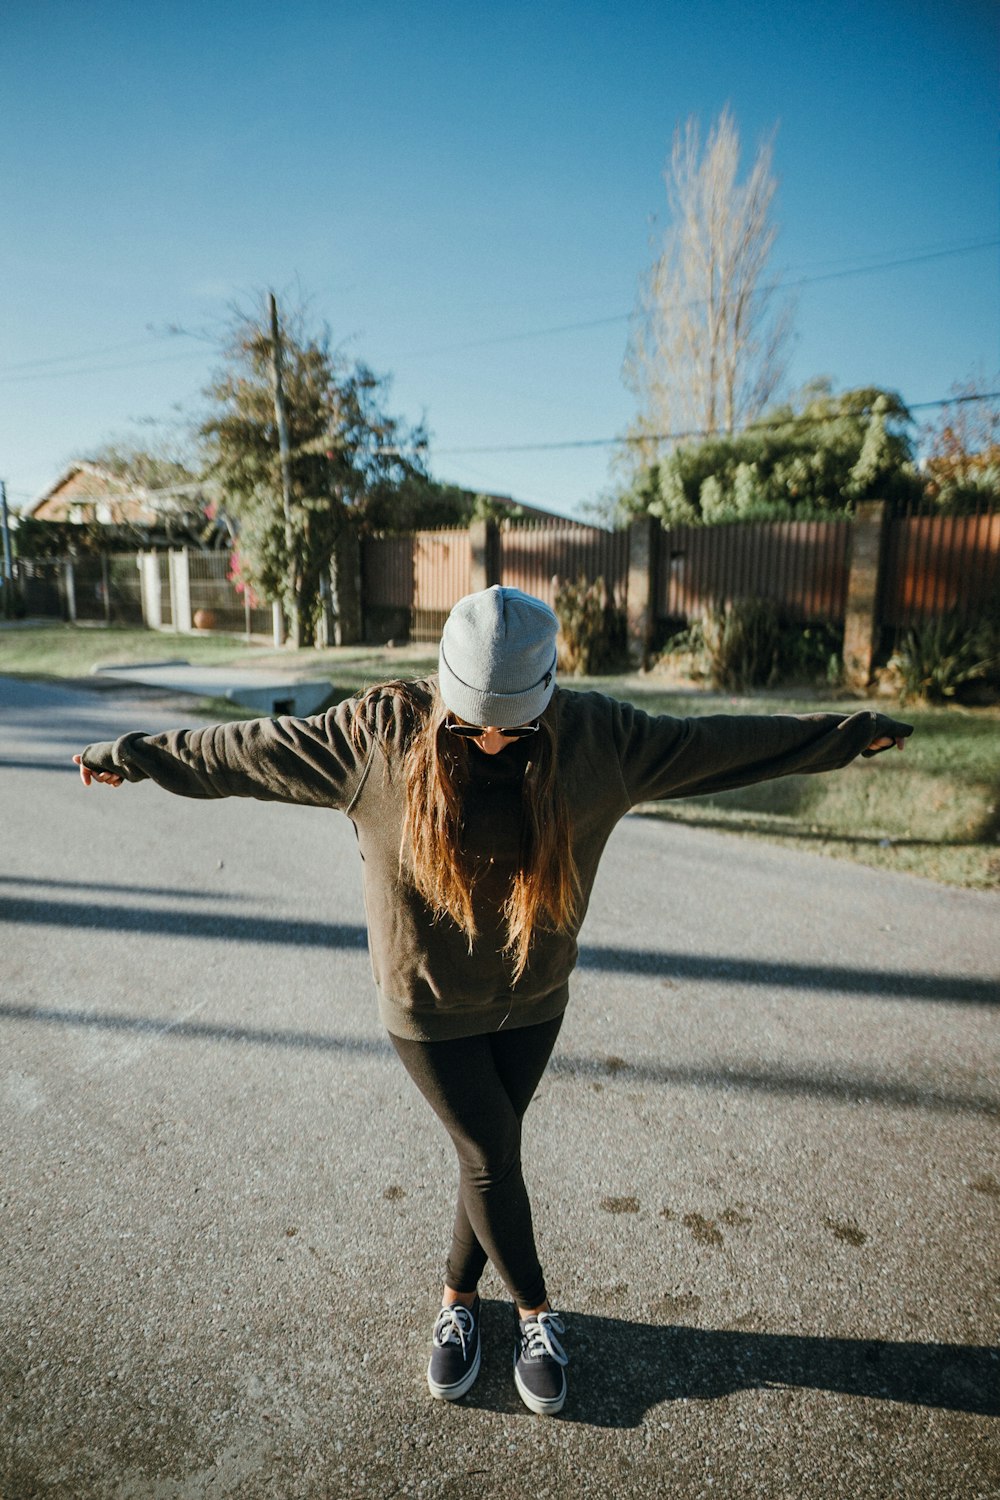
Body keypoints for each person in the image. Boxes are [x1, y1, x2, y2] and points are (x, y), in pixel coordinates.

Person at [74, 585, 912, 1416]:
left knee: (491, 1154)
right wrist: (136, 753)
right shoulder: (378, 736)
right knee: (488, 1155)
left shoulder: (599, 741)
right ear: (442, 684)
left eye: (514, 721)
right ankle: (537, 1314)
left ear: (549, 693)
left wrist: (842, 737)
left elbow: (714, 745)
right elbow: (244, 751)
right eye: (474, 720)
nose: (494, 738)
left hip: (536, 998)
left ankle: (455, 1302)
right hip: (427, 1007)